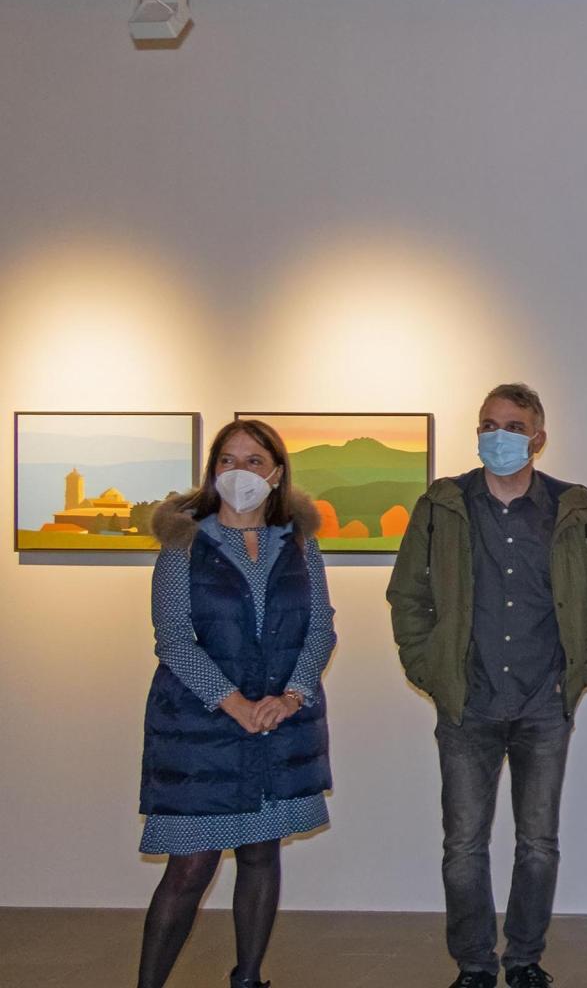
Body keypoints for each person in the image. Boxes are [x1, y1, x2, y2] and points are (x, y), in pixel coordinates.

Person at [388, 383, 587, 988]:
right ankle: (472, 964)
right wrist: (429, 667)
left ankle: (523, 960)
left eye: (513, 426)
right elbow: (407, 594)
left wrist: (582, 667)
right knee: (463, 848)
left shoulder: (573, 506)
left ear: (538, 438)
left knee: (538, 844)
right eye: (489, 424)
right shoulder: (443, 504)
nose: (499, 436)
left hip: (545, 704)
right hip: (469, 704)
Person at [136, 418, 336, 988]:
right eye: (227, 460)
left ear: (276, 472)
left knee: (260, 853)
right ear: (212, 471)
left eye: (253, 460)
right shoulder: (185, 543)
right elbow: (173, 637)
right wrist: (233, 703)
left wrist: (292, 694)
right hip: (200, 728)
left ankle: (248, 978)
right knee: (189, 869)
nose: (239, 472)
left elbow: (319, 627)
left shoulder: (299, 540)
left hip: (280, 723)